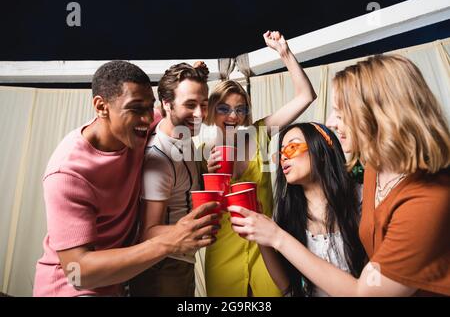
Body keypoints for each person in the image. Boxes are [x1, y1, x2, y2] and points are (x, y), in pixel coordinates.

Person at [230, 54, 450, 296]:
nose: (330, 122)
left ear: (378, 114)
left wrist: (276, 237)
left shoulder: (427, 200)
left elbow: (364, 293)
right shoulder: (375, 171)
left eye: (340, 112)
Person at [33, 60, 220, 297]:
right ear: (101, 107)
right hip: (71, 289)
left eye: (149, 108)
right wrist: (170, 241)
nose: (146, 118)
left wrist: (190, 76)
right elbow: (77, 272)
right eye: (136, 109)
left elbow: (172, 110)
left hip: (119, 283)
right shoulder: (67, 173)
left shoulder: (138, 128)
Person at [203, 30, 317, 296]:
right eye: (224, 108)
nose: (234, 115)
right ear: (210, 111)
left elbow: (305, 96)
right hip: (222, 251)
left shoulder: (259, 132)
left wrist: (284, 53)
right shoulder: (200, 150)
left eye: (240, 108)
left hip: (265, 248)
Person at [246, 122, 366, 296]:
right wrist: (260, 236)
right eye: (281, 153)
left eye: (292, 147)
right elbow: (288, 288)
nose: (283, 158)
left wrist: (275, 236)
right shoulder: (286, 212)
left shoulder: (361, 198)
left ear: (322, 151)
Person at [129, 62, 213, 296]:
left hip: (182, 261)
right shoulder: (158, 158)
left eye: (203, 105)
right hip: (163, 266)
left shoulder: (183, 136)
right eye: (190, 105)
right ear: (166, 104)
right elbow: (148, 231)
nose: (199, 115)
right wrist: (195, 228)